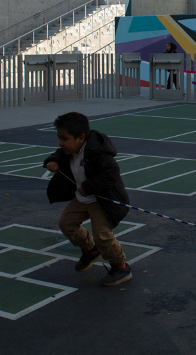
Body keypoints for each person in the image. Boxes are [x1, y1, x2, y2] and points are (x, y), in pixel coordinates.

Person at [44, 112, 133, 287]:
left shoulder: (97, 151)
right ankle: (90, 250)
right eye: (59, 138)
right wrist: (53, 160)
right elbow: (59, 154)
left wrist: (89, 187)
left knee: (103, 237)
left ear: (81, 138)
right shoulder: (69, 149)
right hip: (82, 199)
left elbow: (111, 173)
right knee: (66, 223)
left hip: (101, 200)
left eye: (65, 138)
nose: (61, 143)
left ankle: (121, 266)